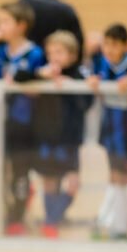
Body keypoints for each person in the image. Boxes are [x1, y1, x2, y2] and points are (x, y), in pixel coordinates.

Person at [0, 1, 47, 235]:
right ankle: (8, 210)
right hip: (0, 121)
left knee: (19, 172)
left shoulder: (35, 53)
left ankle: (16, 216)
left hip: (25, 122)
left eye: (5, 22)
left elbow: (39, 86)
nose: (0, 26)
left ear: (21, 25)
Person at [25, 31, 93, 238]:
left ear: (72, 55)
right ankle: (50, 222)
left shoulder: (80, 75)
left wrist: (72, 87)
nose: (54, 57)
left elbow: (86, 104)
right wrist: (39, 78)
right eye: (51, 52)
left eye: (60, 52)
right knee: (49, 180)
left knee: (72, 183)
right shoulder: (43, 73)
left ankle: (53, 217)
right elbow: (21, 80)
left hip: (70, 139)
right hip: (47, 136)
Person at [88, 24, 127, 241]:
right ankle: (119, 227)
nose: (109, 49)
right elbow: (92, 79)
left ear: (125, 46)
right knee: (115, 176)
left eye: (115, 44)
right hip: (110, 131)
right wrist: (93, 82)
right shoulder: (101, 64)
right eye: (106, 44)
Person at [19, 0, 84, 65]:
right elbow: (78, 43)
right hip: (59, 68)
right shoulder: (65, 9)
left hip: (26, 67)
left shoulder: (16, 9)